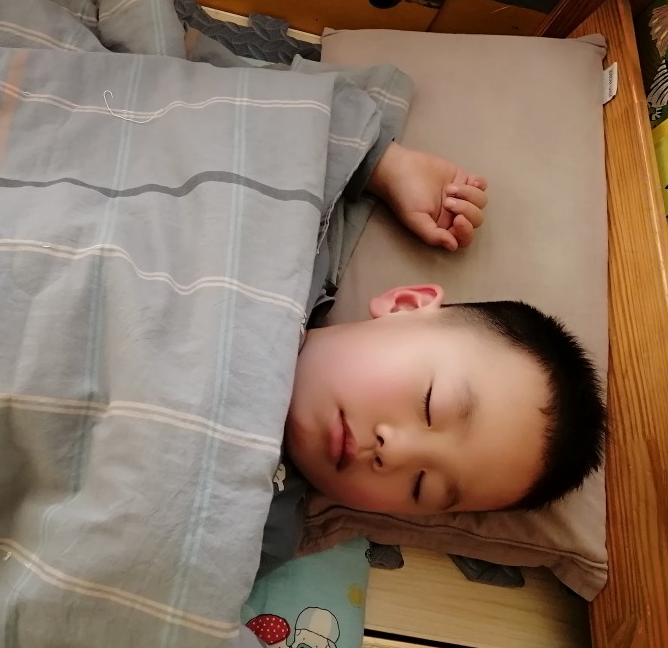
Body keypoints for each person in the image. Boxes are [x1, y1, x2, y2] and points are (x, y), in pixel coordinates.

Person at [259, 140, 607, 576]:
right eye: (429, 404)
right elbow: (277, 129)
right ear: (405, 305)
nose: (394, 452)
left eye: (421, 487)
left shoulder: (266, 528)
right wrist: (384, 166)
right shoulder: (294, 245)